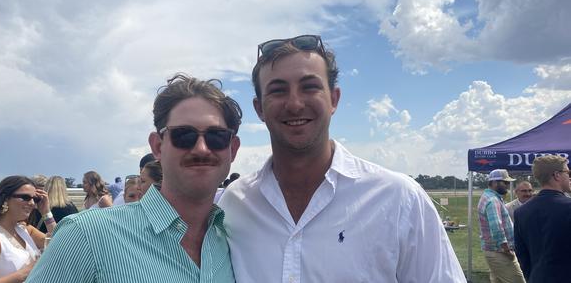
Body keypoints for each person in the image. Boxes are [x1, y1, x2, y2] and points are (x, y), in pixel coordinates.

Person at [219, 34, 465, 282]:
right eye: (278, 91)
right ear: (259, 108)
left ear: (334, 99)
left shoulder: (400, 199)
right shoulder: (236, 203)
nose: (294, 104)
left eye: (309, 87)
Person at [27, 74, 241, 282]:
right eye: (184, 135)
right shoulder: (86, 234)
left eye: (216, 136)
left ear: (232, 148)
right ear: (157, 146)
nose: (202, 148)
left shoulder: (233, 240)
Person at [0, 175, 56, 283]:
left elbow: (60, 243)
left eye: (35, 199)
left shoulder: (25, 230)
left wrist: (46, 212)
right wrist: (23, 274)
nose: (32, 203)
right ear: (5, 198)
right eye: (25, 197)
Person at [514, 155, 571, 282]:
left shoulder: (521, 212)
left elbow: (522, 255)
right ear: (557, 175)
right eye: (568, 172)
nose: (569, 177)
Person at [477, 168, 526, 283]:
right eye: (505, 182)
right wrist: (507, 250)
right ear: (494, 183)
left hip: (495, 251)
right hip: (499, 252)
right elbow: (497, 227)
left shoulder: (489, 197)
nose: (508, 185)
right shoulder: (493, 200)